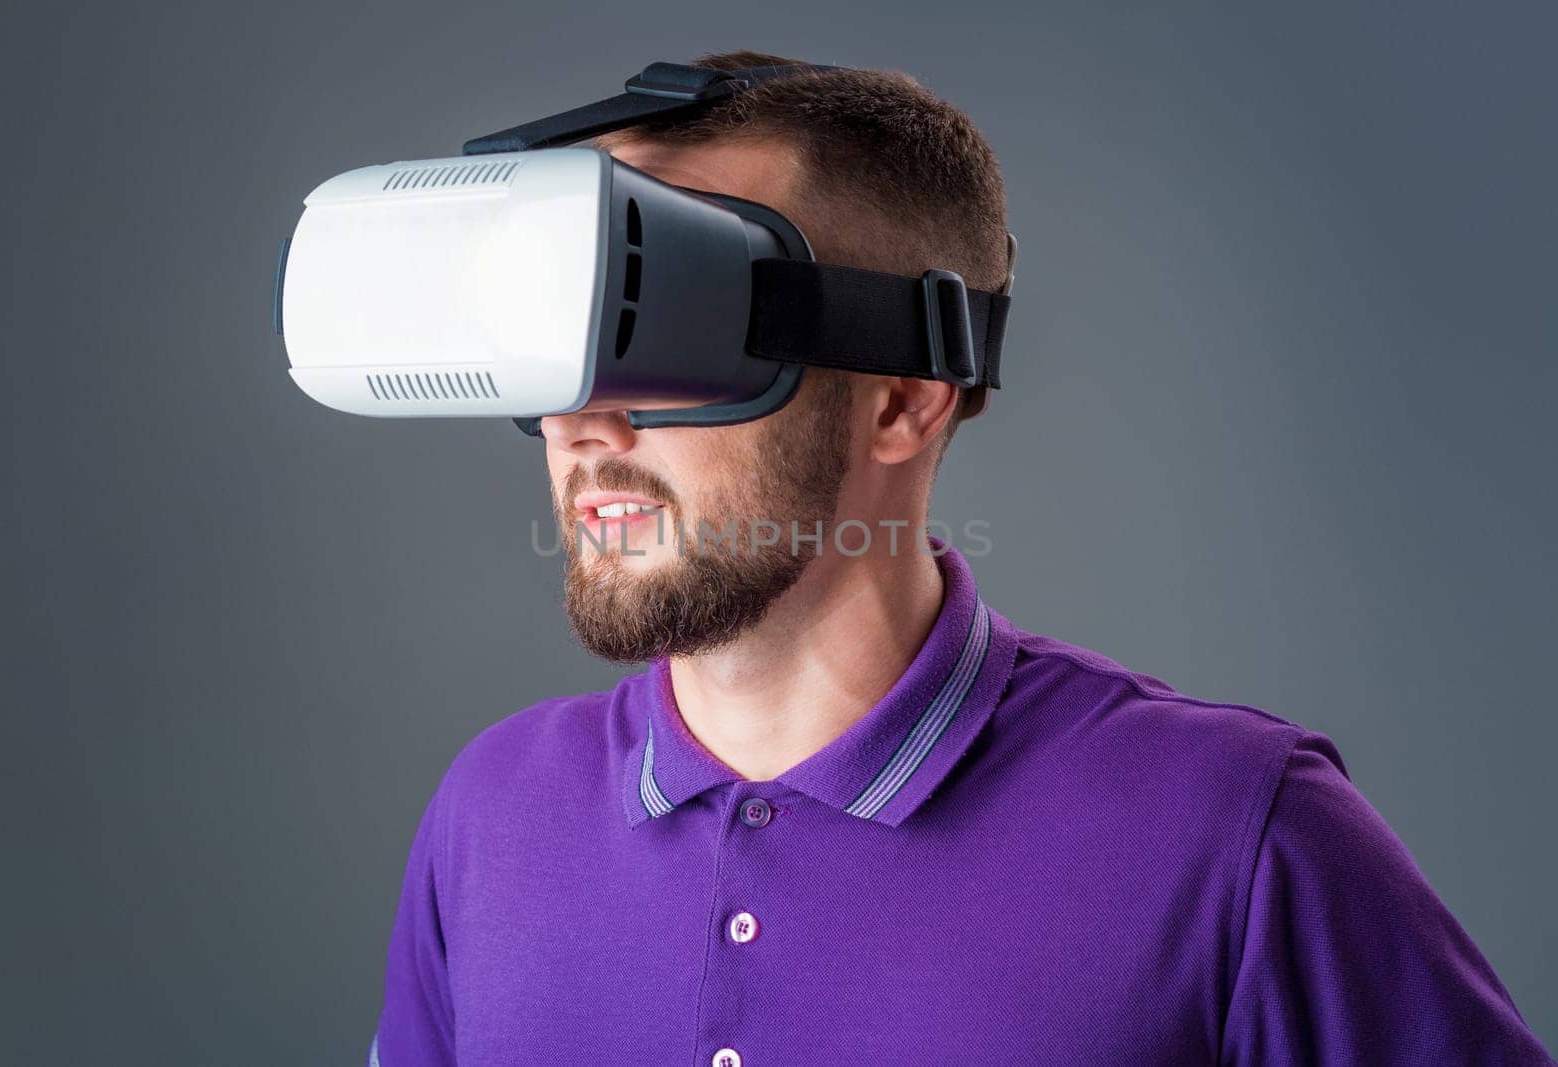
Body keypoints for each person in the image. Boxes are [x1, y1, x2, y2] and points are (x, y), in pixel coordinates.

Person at [369, 51, 1554, 1066]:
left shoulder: (1232, 835)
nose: (587, 422)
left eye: (663, 325)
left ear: (901, 397)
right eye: (562, 348)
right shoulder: (491, 815)